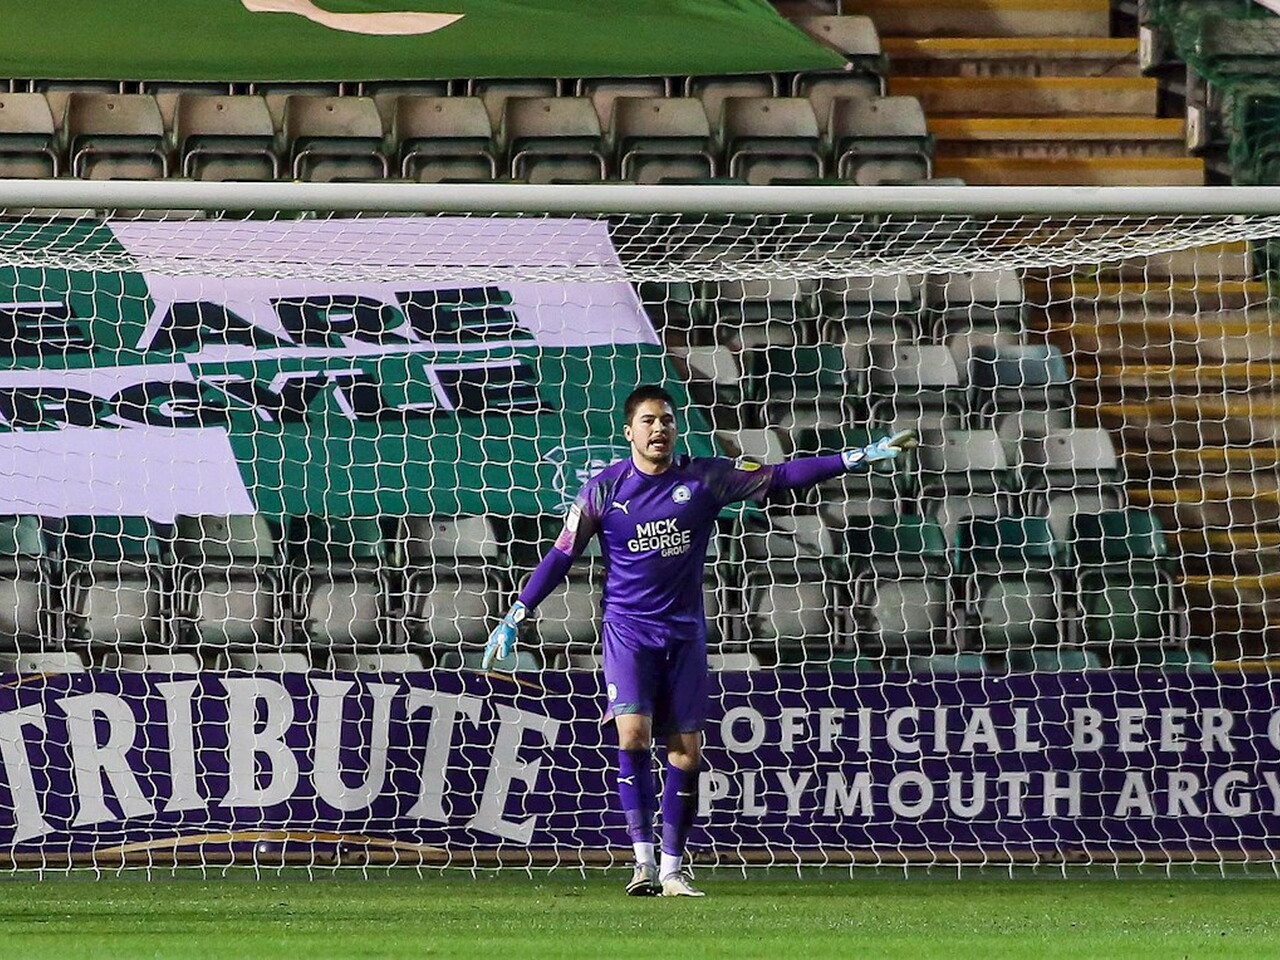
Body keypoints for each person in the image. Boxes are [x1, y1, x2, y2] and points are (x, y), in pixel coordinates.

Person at [483, 384, 915, 897]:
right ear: (629, 432)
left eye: (666, 420)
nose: (658, 428)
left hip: (685, 634)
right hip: (628, 631)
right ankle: (643, 862)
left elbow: (779, 476)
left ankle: (672, 870)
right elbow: (561, 554)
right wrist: (516, 613)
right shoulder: (602, 490)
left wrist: (855, 458)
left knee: (686, 754)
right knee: (632, 737)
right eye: (648, 421)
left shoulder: (704, 477)